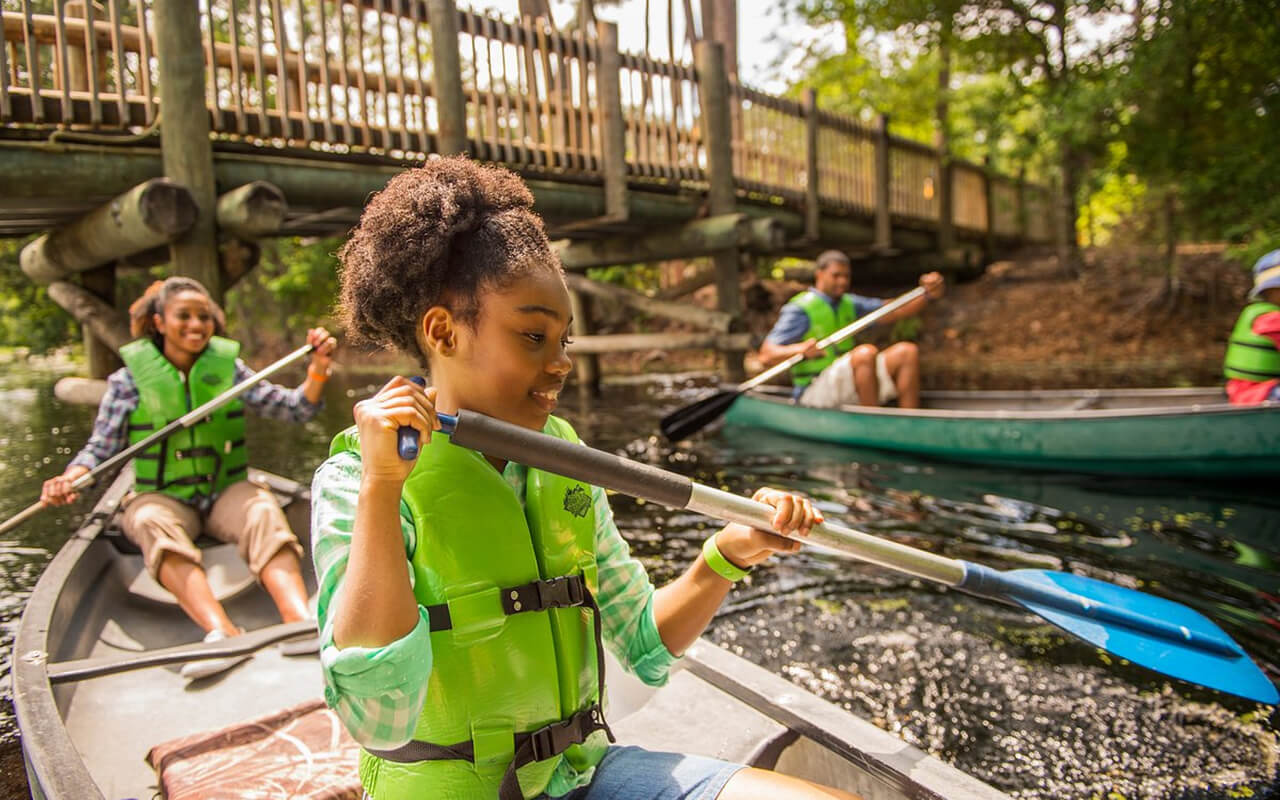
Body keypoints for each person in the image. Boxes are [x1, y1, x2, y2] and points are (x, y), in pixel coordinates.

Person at [312, 156, 860, 800]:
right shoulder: (356, 477)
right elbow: (376, 714)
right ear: (442, 332)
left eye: (565, 341)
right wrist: (384, 486)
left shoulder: (562, 456)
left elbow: (642, 646)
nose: (561, 363)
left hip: (581, 774)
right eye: (532, 337)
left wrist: (728, 555)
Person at [41, 277, 338, 680]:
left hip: (224, 488)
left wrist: (317, 371)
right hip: (164, 496)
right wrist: (71, 477)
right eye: (184, 316)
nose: (196, 325)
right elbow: (100, 449)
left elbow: (294, 409)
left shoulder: (228, 370)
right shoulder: (127, 381)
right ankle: (223, 632)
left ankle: (299, 622)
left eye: (204, 317)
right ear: (159, 322)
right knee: (147, 521)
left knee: (262, 510)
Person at [758, 250, 944, 409]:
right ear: (819, 274)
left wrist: (926, 295)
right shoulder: (800, 310)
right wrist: (800, 349)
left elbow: (895, 310)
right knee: (865, 353)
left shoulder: (849, 303)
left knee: (906, 351)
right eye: (836, 275)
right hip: (815, 389)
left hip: (848, 382)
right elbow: (766, 355)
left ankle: (908, 422)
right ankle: (872, 423)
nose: (842, 281)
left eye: (846, 276)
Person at [1224, 249, 1280, 405]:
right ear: (1273, 291)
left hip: (1252, 392)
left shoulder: (1262, 314)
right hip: (1258, 395)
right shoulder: (1272, 320)